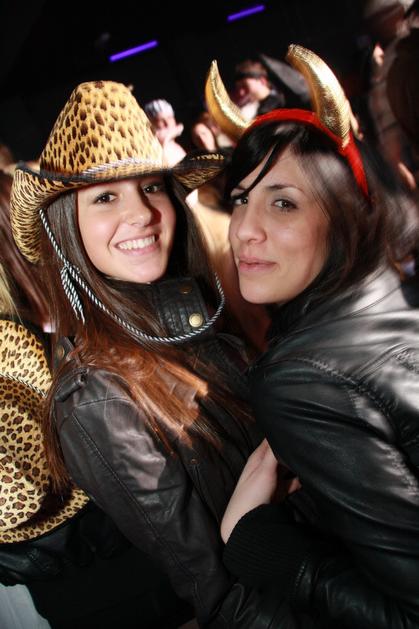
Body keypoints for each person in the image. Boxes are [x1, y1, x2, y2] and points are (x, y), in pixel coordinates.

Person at [10, 80, 304, 628]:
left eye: (150, 186)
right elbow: (223, 601)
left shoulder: (201, 320)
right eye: (105, 197)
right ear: (67, 227)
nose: (142, 213)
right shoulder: (98, 399)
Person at [206, 44, 419, 627]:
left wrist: (261, 544)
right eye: (241, 199)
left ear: (344, 215)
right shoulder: (396, 292)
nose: (244, 230)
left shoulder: (302, 379)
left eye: (283, 203)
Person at [144, 98, 187, 166]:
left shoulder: (176, 147)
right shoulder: (153, 145)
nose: (167, 123)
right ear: (152, 123)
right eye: (160, 120)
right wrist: (177, 129)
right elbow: (161, 137)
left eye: (169, 118)